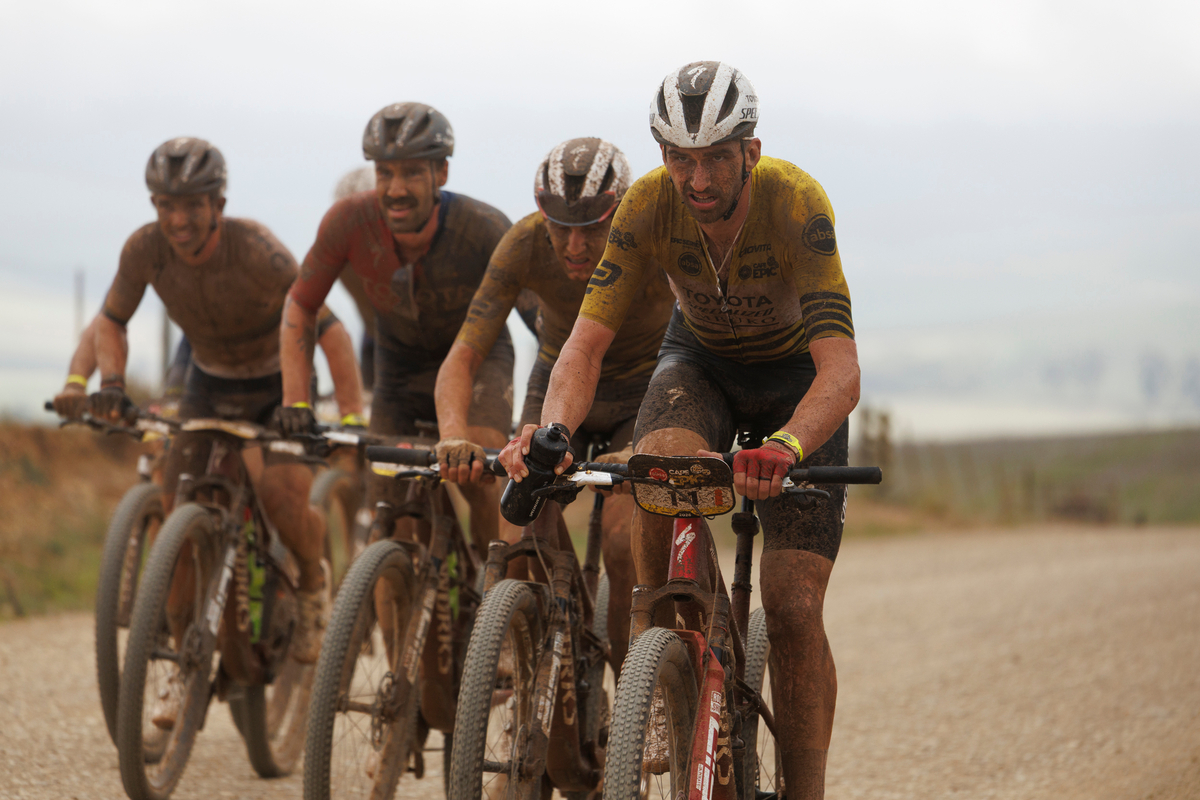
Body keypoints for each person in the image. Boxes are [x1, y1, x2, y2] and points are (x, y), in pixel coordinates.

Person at [499, 62, 860, 798]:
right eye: (678, 157)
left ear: (749, 152)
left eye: (716, 158)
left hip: (795, 380)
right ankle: (673, 653)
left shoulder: (796, 202)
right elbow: (582, 348)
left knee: (792, 605)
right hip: (699, 364)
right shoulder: (645, 205)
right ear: (662, 154)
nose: (697, 178)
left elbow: (842, 371)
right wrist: (553, 431)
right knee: (659, 463)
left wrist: (787, 446)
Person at [81, 137, 365, 711]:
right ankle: (179, 653)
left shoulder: (258, 249)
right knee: (177, 503)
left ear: (219, 204)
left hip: (278, 385)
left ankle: (313, 584)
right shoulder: (144, 249)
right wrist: (110, 384)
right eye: (166, 205)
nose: (178, 219)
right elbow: (111, 320)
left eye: (192, 205)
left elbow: (329, 330)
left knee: (281, 497)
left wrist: (352, 418)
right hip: (209, 380)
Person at [434, 138, 675, 669]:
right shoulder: (523, 243)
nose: (573, 245)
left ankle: (632, 682)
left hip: (644, 387)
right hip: (560, 381)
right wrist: (452, 433)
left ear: (621, 212)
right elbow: (463, 355)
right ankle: (552, 669)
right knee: (518, 529)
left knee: (622, 542)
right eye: (559, 226)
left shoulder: (655, 240)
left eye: (591, 227)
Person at [282, 103, 514, 554]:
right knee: (389, 514)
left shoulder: (483, 227)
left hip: (478, 365)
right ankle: (406, 589)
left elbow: (542, 321)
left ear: (441, 172)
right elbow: (301, 304)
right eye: (384, 173)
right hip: (398, 371)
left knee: (477, 473)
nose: (395, 189)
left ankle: (493, 578)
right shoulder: (348, 221)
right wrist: (295, 400)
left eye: (411, 173)